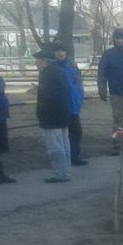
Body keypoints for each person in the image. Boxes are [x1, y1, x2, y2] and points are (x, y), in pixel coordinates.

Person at [34, 49, 72, 183]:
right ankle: (66, 170)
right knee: (64, 143)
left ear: (44, 61)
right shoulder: (57, 71)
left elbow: (49, 95)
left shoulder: (48, 74)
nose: (36, 64)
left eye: (37, 61)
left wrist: (37, 91)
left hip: (51, 115)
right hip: (61, 114)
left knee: (55, 146)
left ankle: (60, 172)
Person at [52, 42, 88, 166]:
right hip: (59, 105)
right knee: (60, 134)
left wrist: (79, 100)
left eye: (62, 50)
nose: (60, 53)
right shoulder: (51, 67)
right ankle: (62, 158)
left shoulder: (72, 66)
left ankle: (75, 155)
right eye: (57, 51)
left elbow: (78, 84)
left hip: (73, 104)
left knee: (76, 132)